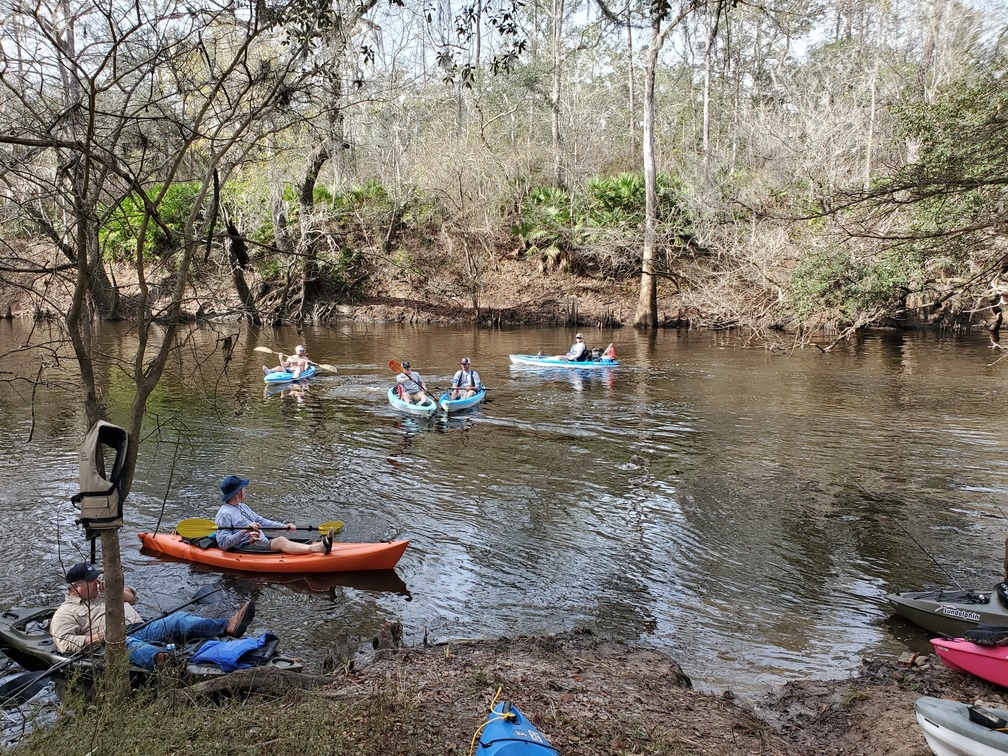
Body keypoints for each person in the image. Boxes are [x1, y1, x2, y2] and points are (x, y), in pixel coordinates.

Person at [49, 562, 255, 670]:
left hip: (140, 627)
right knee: (127, 644)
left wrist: (111, 589)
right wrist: (99, 637)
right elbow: (64, 643)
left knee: (177, 619)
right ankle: (164, 662)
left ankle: (227, 625)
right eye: (91, 580)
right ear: (76, 587)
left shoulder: (103, 593)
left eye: (96, 578)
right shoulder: (65, 613)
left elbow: (133, 597)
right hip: (112, 642)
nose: (97, 582)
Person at [215, 475, 334, 555]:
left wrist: (284, 526)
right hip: (245, 547)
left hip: (260, 541)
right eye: (243, 489)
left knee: (286, 538)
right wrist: (244, 531)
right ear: (238, 492)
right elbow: (223, 544)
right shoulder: (224, 514)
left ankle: (311, 546)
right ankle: (318, 548)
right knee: (281, 541)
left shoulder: (242, 506)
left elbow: (262, 521)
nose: (245, 491)